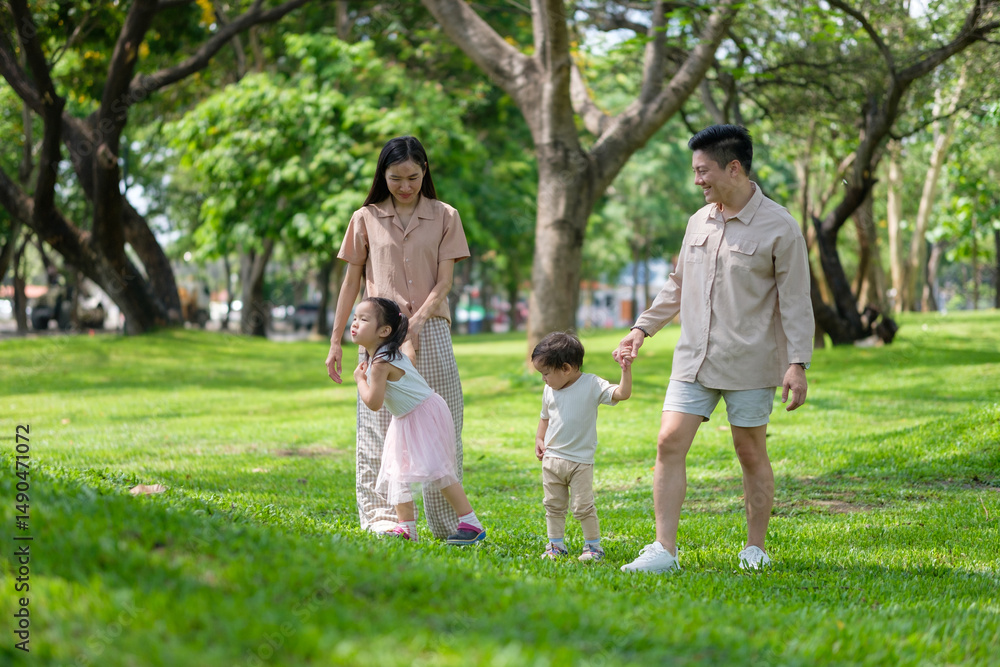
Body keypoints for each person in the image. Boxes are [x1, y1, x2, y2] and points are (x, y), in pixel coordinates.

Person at [615, 124, 814, 573]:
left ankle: (755, 549)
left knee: (749, 452)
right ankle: (664, 550)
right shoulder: (697, 222)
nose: (698, 180)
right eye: (695, 172)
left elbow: (796, 301)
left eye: (703, 171)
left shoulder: (780, 227)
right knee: (668, 441)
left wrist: (797, 363)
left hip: (750, 360)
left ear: (734, 168)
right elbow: (678, 284)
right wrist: (642, 329)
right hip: (693, 357)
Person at [326, 136, 470, 539]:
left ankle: (450, 525)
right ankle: (385, 520)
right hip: (378, 334)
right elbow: (351, 283)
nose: (405, 186)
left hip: (432, 328)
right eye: (395, 179)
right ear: (382, 176)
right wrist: (337, 340)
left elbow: (444, 284)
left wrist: (417, 324)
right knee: (378, 425)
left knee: (443, 422)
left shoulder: (446, 216)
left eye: (413, 177)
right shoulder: (365, 218)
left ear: (425, 171)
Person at [350, 297, 486, 545]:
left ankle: (472, 523)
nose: (355, 323)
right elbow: (409, 357)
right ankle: (406, 527)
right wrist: (408, 337)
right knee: (397, 471)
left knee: (439, 470)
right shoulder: (391, 351)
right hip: (411, 417)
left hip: (421, 415)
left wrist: (360, 380)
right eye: (355, 318)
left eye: (363, 319)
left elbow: (374, 402)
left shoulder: (379, 363)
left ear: (384, 331)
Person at [532, 332, 632, 562]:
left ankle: (593, 547)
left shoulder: (592, 384)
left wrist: (625, 370)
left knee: (582, 507)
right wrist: (540, 438)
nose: (543, 379)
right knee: (553, 505)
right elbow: (545, 416)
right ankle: (556, 545)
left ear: (566, 368)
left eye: (546, 373)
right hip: (552, 459)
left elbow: (622, 394)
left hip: (580, 462)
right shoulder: (550, 389)